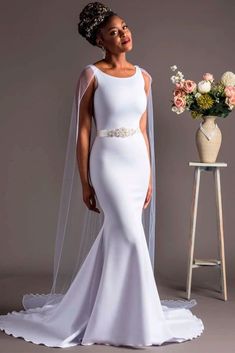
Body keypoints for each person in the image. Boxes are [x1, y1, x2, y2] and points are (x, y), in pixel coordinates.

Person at [0, 1, 204, 348]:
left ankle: (114, 312)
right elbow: (83, 132)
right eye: (113, 32)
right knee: (127, 233)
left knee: (121, 235)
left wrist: (150, 176)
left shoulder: (145, 77)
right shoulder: (91, 75)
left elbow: (143, 131)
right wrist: (85, 180)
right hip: (107, 160)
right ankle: (133, 321)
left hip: (137, 163)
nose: (124, 34)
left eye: (124, 27)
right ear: (100, 40)